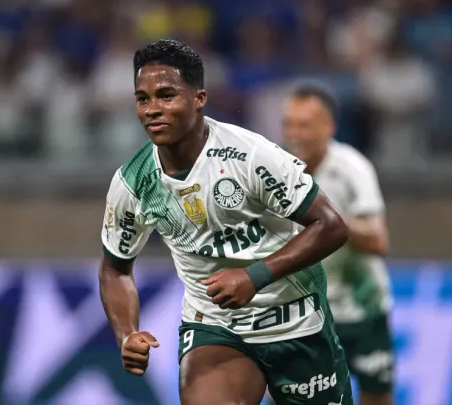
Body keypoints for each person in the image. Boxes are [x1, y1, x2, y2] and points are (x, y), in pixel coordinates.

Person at [98, 38, 354, 405]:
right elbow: (115, 269)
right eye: (143, 99)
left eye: (166, 95)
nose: (152, 109)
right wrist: (127, 333)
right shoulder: (133, 183)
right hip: (215, 326)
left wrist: (254, 276)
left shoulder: (250, 156)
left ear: (198, 99)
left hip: (297, 321)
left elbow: (331, 226)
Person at [281, 84, 394, 405]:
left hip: (361, 307)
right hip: (302, 311)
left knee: (376, 393)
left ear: (328, 127)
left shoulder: (352, 168)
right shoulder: (276, 169)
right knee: (288, 396)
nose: (294, 134)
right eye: (288, 124)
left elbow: (377, 240)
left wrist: (324, 216)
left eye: (304, 125)